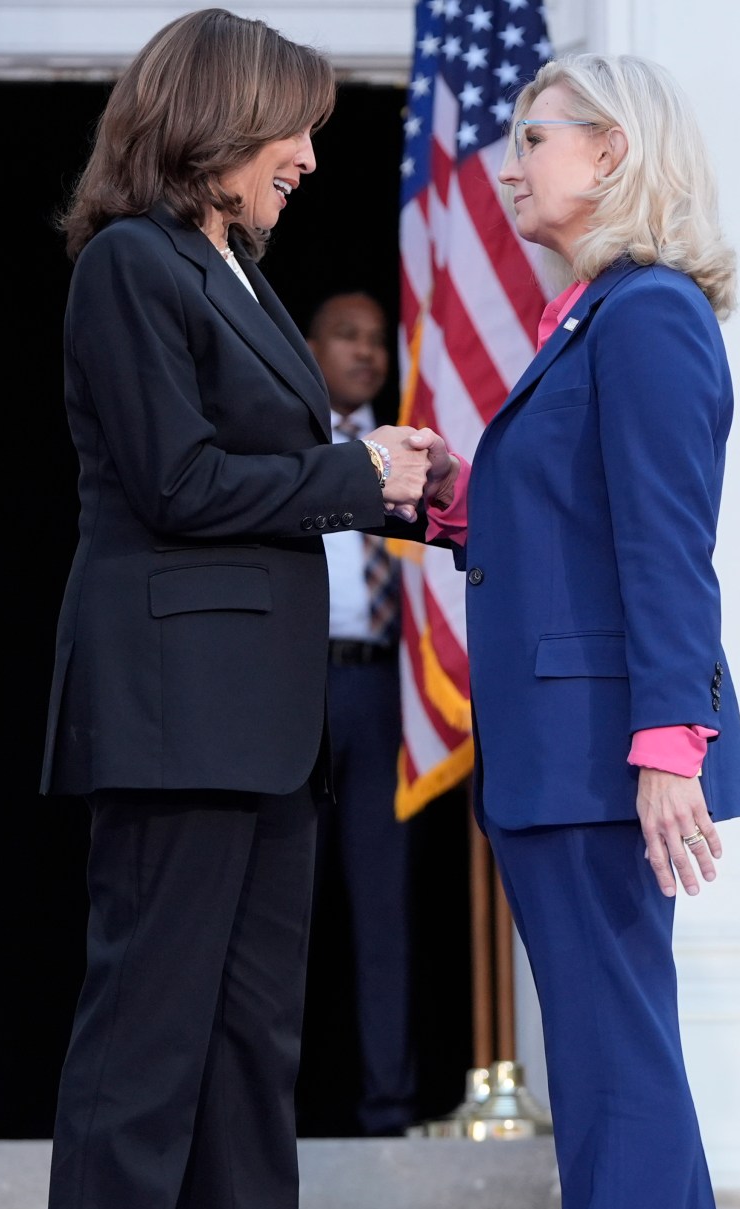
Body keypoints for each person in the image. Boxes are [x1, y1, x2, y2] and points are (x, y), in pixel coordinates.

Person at [39, 11, 444, 1209]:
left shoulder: (244, 278)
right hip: (172, 719)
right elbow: (179, 482)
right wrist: (353, 479)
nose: (311, 157)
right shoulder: (131, 267)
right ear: (218, 119)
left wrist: (394, 482)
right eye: (295, 128)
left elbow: (265, 473)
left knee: (245, 1078)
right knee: (138, 1073)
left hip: (264, 728)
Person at [417, 53, 740, 1209]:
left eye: (533, 136)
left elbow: (668, 550)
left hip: (608, 760)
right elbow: (566, 528)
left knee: (618, 1084)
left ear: (613, 154)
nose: (509, 161)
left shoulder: (649, 316)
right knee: (632, 1080)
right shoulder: (593, 320)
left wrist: (669, 746)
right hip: (571, 751)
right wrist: (449, 502)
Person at [305, 289, 418, 1137]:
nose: (366, 353)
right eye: (347, 337)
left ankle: (389, 1108)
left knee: (382, 904)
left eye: (377, 340)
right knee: (282, 901)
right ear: (310, 347)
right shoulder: (285, 440)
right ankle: (269, 1107)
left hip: (381, 690)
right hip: (295, 688)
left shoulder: (412, 449)